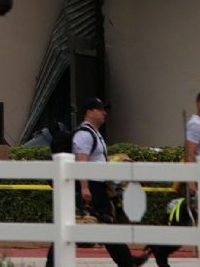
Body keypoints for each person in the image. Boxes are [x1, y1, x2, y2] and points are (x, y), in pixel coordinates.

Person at [136, 90, 200, 267]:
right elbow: (189, 152)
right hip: (198, 182)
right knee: (196, 222)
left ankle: (162, 251)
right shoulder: (196, 125)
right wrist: (191, 181)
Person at [46, 98, 134, 267]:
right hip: (89, 187)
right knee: (73, 227)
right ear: (89, 112)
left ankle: (128, 262)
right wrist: (85, 188)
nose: (104, 113)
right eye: (100, 109)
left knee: (107, 226)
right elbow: (81, 162)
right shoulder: (85, 135)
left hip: (98, 187)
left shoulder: (95, 134)